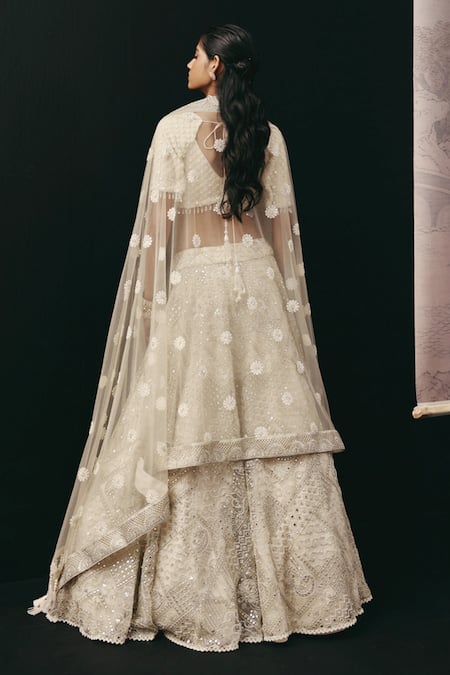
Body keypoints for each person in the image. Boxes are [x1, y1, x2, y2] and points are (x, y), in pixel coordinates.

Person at [29, 23, 372, 651]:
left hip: (199, 289)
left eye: (194, 54)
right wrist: (283, 314)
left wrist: (150, 311)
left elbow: (157, 234)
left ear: (216, 66)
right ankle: (299, 594)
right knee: (267, 424)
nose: (186, 62)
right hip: (259, 288)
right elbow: (282, 234)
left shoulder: (171, 130)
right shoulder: (268, 135)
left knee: (191, 424)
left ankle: (197, 593)